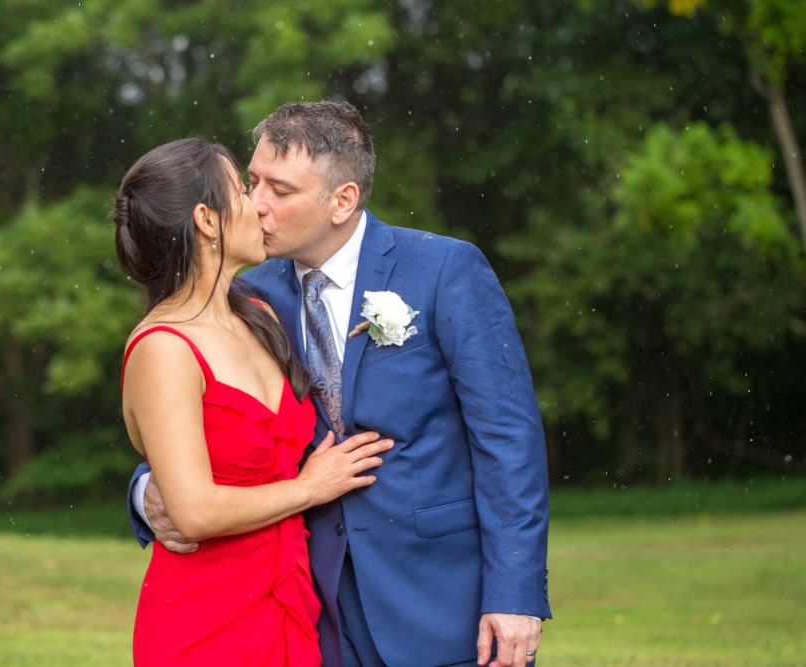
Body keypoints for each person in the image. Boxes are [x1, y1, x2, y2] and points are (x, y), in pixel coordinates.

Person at [129, 102, 552, 667]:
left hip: (437, 601)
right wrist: (146, 490)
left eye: (279, 190)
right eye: (252, 182)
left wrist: (515, 593)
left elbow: (509, 439)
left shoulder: (445, 271)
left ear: (342, 200)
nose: (257, 204)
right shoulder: (250, 299)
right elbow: (200, 428)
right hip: (307, 608)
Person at [114, 136, 394, 666]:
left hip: (289, 596)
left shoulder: (262, 313)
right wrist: (308, 488)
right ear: (207, 220)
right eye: (243, 190)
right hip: (206, 614)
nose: (259, 204)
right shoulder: (164, 348)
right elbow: (193, 511)